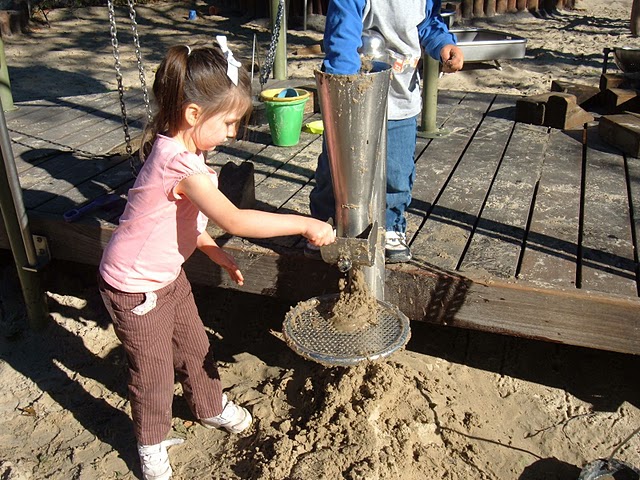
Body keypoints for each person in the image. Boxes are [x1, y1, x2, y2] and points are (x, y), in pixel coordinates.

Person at [98, 39, 335, 480]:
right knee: (152, 373)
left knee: (195, 346)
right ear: (193, 114)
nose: (231, 133)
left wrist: (211, 249)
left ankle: (209, 406)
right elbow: (236, 218)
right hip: (134, 288)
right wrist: (304, 224)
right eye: (228, 123)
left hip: (167, 276)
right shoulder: (179, 165)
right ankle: (150, 443)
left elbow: (178, 219)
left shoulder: (187, 153)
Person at [308, 0, 464, 263]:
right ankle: (325, 223)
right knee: (335, 169)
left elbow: (428, 24)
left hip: (400, 100)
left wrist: (444, 45)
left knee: (396, 171)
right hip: (354, 96)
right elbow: (342, 34)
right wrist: (346, 89)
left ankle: (391, 226)